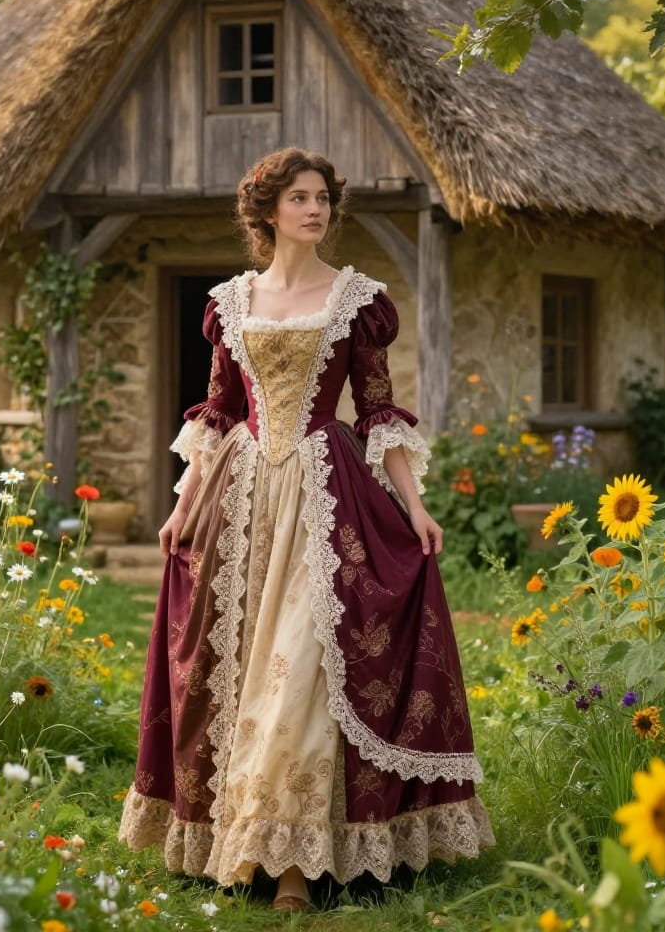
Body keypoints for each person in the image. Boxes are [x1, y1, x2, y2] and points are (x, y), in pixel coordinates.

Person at [118, 147, 494, 911]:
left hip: (328, 493)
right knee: (243, 668)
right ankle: (248, 840)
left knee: (306, 664)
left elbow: (379, 409)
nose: (315, 208)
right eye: (299, 197)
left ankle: (294, 862)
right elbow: (219, 410)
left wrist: (416, 506)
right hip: (243, 496)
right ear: (268, 211)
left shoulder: (358, 299)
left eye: (323, 197)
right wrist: (183, 501)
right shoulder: (230, 301)